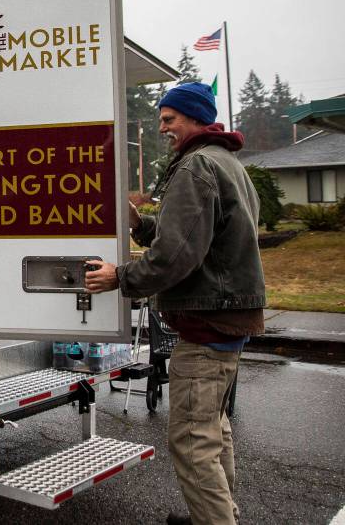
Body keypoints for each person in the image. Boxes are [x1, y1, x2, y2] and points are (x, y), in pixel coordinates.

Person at [85, 81, 266, 525]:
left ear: (195, 118)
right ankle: (221, 514)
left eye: (170, 119)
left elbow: (176, 257)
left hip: (207, 327)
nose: (162, 126)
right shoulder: (226, 163)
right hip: (228, 321)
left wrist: (120, 277)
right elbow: (198, 236)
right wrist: (139, 224)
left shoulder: (195, 167)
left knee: (191, 440)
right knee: (213, 431)